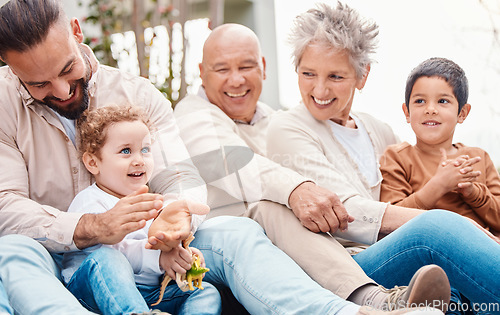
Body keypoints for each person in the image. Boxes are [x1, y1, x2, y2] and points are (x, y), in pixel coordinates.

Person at [0, 1, 428, 315]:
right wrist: (90, 226)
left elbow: (181, 177)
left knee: (235, 234)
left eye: (66, 70)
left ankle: (351, 313)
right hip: (62, 255)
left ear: (76, 31)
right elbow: (6, 207)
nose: (59, 90)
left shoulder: (139, 95)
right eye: (38, 84)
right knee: (13, 251)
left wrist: (177, 221)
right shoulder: (3, 105)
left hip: (155, 255)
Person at [173, 17, 449, 314]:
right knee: (270, 207)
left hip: (293, 250)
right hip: (213, 245)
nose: (237, 80)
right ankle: (373, 300)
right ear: (202, 73)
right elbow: (237, 168)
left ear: (264, 67)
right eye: (222, 69)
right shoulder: (192, 115)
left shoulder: (275, 119)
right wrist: (296, 190)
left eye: (246, 66)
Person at [266, 1, 500, 313]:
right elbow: (344, 213)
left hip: (392, 255)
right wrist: (461, 228)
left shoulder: (378, 129)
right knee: (436, 230)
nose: (319, 88)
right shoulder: (288, 128)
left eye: (336, 76)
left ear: (362, 76)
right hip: (347, 266)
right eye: (308, 73)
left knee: (458, 280)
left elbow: (416, 172)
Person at [62, 105, 221, 314]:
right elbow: (106, 254)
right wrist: (160, 259)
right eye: (125, 151)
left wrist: (181, 256)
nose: (139, 160)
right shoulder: (90, 202)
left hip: (148, 293)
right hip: (93, 291)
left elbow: (159, 245)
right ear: (93, 162)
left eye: (145, 150)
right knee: (108, 259)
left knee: (205, 292)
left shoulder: (154, 202)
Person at [379, 57, 500, 234]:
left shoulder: (478, 158)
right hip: (425, 250)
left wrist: (473, 192)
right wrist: (438, 185)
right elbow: (389, 223)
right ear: (407, 112)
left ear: (462, 113)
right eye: (420, 101)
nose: (430, 109)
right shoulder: (397, 158)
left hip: (481, 249)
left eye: (442, 101)